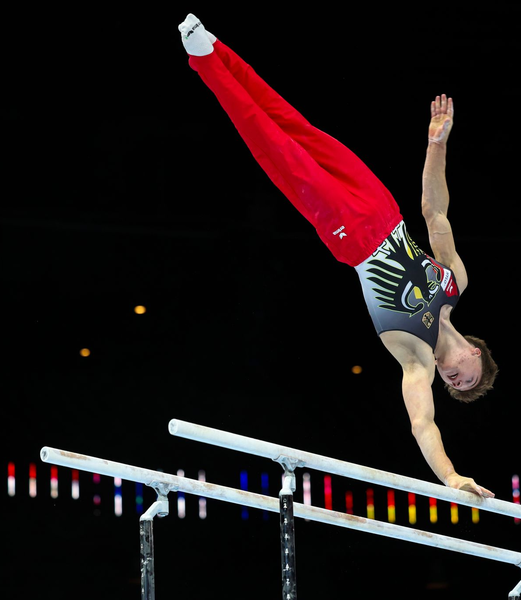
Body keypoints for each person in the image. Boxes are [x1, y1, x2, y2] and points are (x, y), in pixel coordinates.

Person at [178, 14, 498, 498]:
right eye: (465, 376)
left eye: (455, 384)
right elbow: (435, 212)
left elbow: (423, 425)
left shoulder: (416, 360)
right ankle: (220, 50)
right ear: (476, 351)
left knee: (275, 150)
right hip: (382, 206)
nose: (454, 379)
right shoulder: (455, 281)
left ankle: (203, 61)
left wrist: (451, 475)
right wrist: (437, 144)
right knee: (295, 126)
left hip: (353, 240)